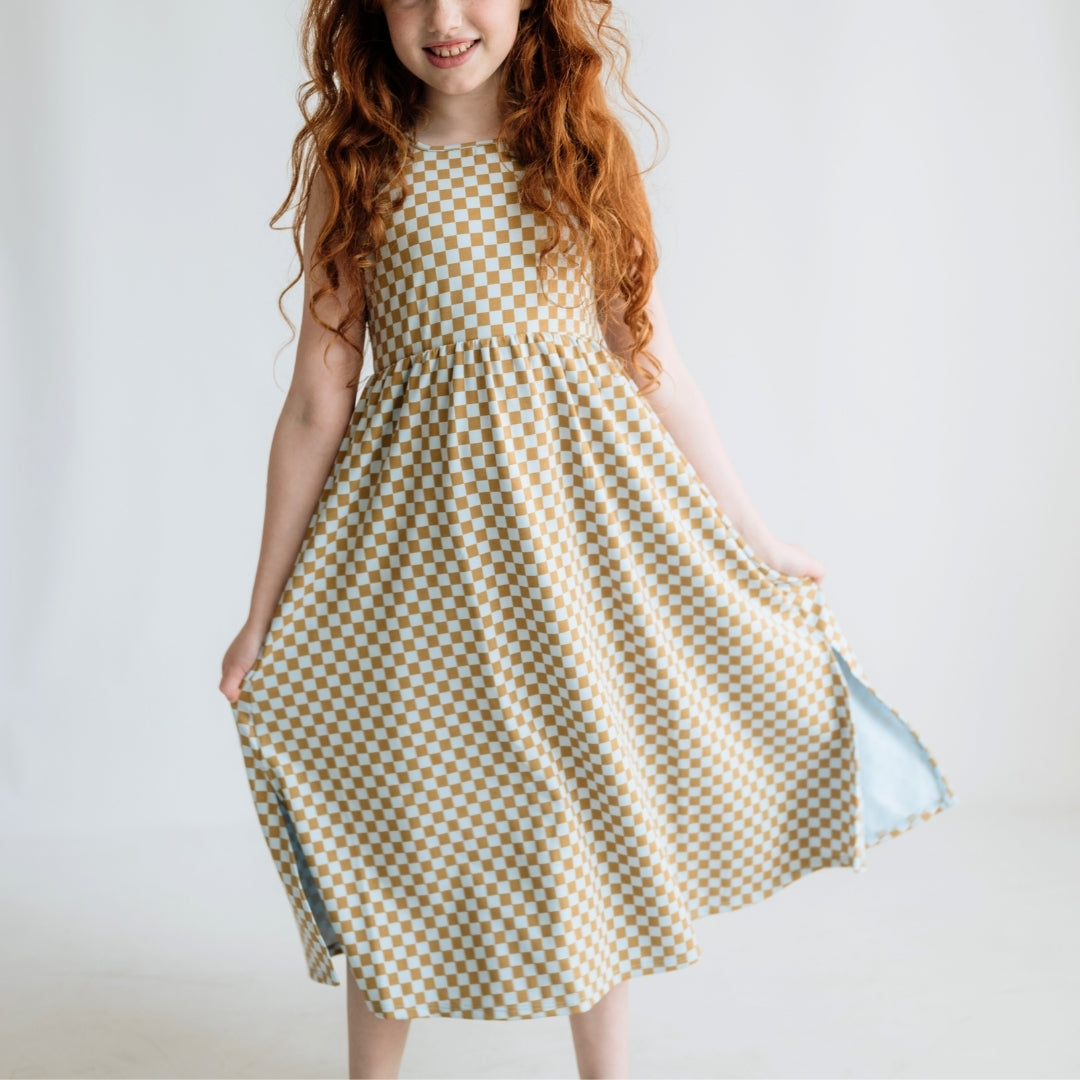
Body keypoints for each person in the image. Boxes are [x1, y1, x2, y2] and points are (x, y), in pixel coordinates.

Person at [219, 1, 958, 1077]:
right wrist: (262, 615)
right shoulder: (362, 167)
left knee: (588, 796)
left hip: (574, 549)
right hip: (415, 553)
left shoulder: (576, 148)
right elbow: (314, 405)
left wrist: (751, 533)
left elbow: (646, 356)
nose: (443, 18)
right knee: (404, 805)